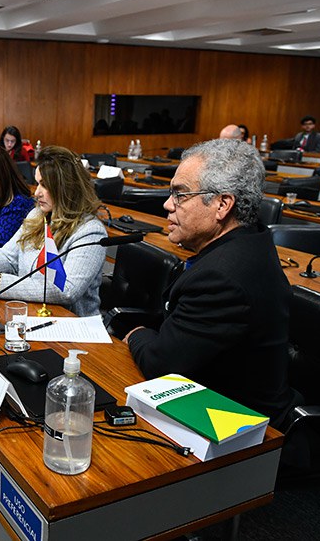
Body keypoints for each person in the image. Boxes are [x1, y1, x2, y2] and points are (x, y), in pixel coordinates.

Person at [123, 139, 300, 430]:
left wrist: (138, 334)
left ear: (222, 204)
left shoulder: (222, 278)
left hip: (240, 429)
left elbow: (160, 363)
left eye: (180, 195)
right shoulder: (249, 240)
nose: (167, 205)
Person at [0, 146, 107, 317]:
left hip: (74, 327)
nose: (36, 193)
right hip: (30, 314)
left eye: (45, 185)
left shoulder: (90, 231)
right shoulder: (37, 214)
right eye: (37, 183)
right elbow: (9, 257)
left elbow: (67, 289)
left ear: (66, 188)